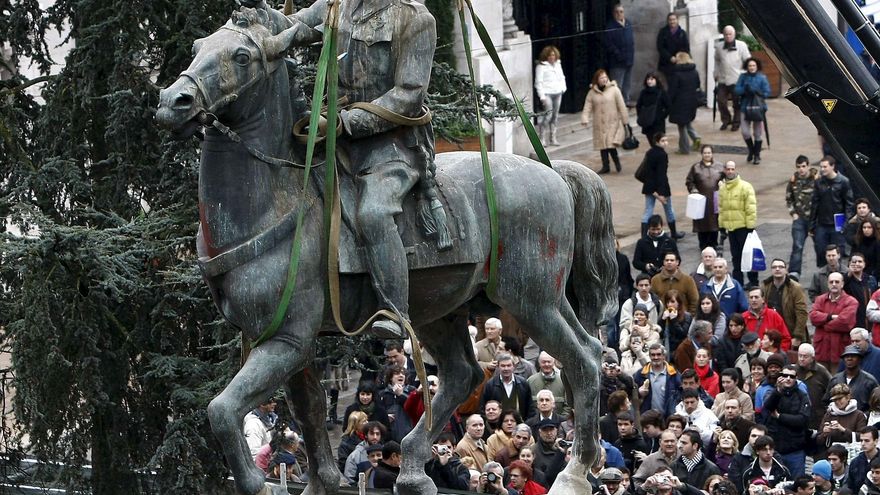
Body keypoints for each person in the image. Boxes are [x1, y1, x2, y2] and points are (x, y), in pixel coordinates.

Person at [289, 0, 437, 339]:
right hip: (335, 141)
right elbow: (293, 28)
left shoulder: (414, 18)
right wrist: (259, 17)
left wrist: (347, 122)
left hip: (391, 144)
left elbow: (409, 95)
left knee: (373, 213)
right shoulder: (336, 4)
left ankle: (396, 312)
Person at [762, 364, 811, 476]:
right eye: (785, 375)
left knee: (797, 485)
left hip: (795, 450)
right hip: (776, 449)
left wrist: (780, 416)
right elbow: (767, 408)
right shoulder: (773, 393)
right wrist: (778, 391)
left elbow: (802, 420)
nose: (788, 379)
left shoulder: (802, 396)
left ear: (796, 378)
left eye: (791, 376)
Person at [718, 160, 758, 287]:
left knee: (748, 256)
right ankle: (738, 282)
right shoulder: (722, 188)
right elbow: (721, 209)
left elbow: (751, 208)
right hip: (731, 228)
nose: (730, 171)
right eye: (728, 169)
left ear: (735, 170)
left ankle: (753, 281)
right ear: (724, 170)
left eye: (732, 169)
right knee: (736, 257)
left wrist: (751, 227)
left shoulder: (745, 186)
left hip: (744, 227)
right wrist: (722, 226)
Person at [582, 68, 629, 175]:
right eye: (601, 78)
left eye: (605, 77)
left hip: (613, 122)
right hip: (599, 123)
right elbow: (587, 106)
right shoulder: (592, 93)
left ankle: (617, 163)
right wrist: (585, 118)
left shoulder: (614, 90)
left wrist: (625, 120)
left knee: (611, 144)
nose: (604, 80)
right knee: (602, 146)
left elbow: (621, 105)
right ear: (596, 80)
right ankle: (605, 166)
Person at [811, 156, 855, 264]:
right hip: (822, 223)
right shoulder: (819, 182)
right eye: (821, 167)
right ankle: (822, 274)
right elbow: (815, 203)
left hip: (837, 223)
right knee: (821, 251)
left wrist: (845, 224)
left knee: (837, 253)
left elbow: (849, 204)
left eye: (825, 167)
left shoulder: (843, 181)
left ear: (832, 166)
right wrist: (812, 224)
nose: (822, 169)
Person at [811, 272, 859, 369]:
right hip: (821, 351)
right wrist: (830, 317)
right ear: (827, 284)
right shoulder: (820, 299)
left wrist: (824, 324)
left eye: (837, 282)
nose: (834, 284)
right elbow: (813, 317)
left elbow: (845, 322)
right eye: (831, 282)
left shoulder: (851, 301)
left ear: (842, 284)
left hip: (840, 352)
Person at [641, 133, 683, 238]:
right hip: (661, 188)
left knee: (648, 211)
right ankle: (674, 233)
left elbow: (647, 172)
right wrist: (660, 193)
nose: (666, 143)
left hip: (649, 187)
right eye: (663, 140)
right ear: (657, 142)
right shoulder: (662, 155)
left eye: (666, 140)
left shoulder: (650, 153)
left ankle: (644, 236)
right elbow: (661, 175)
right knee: (669, 210)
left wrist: (653, 191)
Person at [761, 259, 809, 346]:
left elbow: (802, 313)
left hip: (789, 330)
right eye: (774, 267)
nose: (777, 269)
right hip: (771, 332)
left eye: (781, 267)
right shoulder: (765, 286)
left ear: (786, 270)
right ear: (771, 270)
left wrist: (797, 336)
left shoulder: (795, 288)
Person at [786, 155, 819, 280]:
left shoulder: (815, 179)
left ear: (808, 165)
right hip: (799, 218)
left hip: (814, 218)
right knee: (797, 246)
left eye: (804, 166)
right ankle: (794, 272)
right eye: (799, 167)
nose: (801, 169)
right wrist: (793, 213)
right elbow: (789, 198)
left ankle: (823, 269)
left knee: (819, 245)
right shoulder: (793, 180)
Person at [686, 147, 725, 250]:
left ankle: (714, 243)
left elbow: (726, 179)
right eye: (705, 153)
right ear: (702, 154)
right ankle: (702, 243)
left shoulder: (720, 166)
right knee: (701, 222)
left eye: (709, 153)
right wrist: (693, 190)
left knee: (714, 222)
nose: (707, 155)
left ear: (712, 154)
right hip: (701, 200)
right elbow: (690, 181)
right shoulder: (696, 167)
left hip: (715, 200)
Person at [714, 25, 751, 132]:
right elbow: (717, 61)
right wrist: (715, 72)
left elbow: (748, 61)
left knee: (737, 103)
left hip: (737, 79)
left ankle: (736, 122)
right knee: (721, 101)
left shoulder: (741, 45)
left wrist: (744, 75)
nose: (728, 36)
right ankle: (726, 120)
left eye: (730, 34)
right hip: (723, 79)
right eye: (726, 34)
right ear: (723, 35)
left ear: (734, 35)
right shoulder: (719, 46)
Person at [734, 57, 771, 164]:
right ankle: (751, 150)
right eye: (750, 66)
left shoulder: (762, 78)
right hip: (745, 107)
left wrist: (757, 92)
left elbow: (767, 92)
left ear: (757, 66)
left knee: (758, 133)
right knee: (745, 132)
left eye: (753, 65)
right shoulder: (743, 77)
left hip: (758, 108)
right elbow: (737, 90)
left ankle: (757, 155)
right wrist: (745, 90)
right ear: (747, 67)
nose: (752, 67)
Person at [667, 51, 702, 155]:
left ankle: (684, 148)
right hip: (691, 101)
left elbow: (672, 90)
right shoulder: (694, 72)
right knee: (687, 122)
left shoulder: (676, 74)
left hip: (679, 102)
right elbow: (698, 85)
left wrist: (668, 102)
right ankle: (696, 137)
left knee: (681, 127)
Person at [633, 343, 682, 417]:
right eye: (653, 355)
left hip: (668, 418)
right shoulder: (641, 374)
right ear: (649, 356)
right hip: (647, 418)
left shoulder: (673, 373)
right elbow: (631, 394)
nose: (656, 357)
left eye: (659, 354)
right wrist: (639, 392)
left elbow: (681, 392)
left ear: (663, 356)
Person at [825, 346, 880, 411]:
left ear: (859, 359)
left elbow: (876, 402)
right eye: (846, 356)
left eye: (853, 356)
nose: (849, 359)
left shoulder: (869, 381)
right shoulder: (835, 380)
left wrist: (864, 416)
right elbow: (826, 401)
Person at [534, 45, 566, 146]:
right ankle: (542, 138)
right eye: (550, 55)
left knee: (555, 116)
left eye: (553, 55)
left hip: (558, 92)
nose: (552, 57)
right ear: (546, 56)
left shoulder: (558, 64)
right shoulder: (541, 66)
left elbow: (561, 77)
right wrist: (542, 96)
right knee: (548, 115)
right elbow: (538, 82)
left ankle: (553, 138)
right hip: (547, 93)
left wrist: (563, 88)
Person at [795, 343, 832, 431]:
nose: (801, 359)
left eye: (805, 356)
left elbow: (832, 387)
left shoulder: (822, 372)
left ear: (812, 358)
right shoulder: (793, 371)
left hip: (817, 415)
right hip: (798, 413)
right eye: (800, 356)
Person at [818, 383, 868, 448]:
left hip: (851, 453)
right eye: (835, 400)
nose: (837, 402)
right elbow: (818, 440)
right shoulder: (829, 414)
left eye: (840, 399)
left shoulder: (859, 415)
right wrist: (824, 433)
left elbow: (862, 437)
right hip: (831, 453)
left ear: (848, 397)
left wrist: (843, 430)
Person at [604, 3, 635, 106]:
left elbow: (631, 41)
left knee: (627, 83)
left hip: (629, 59)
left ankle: (626, 101)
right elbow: (609, 44)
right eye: (617, 12)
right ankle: (616, 103)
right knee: (617, 85)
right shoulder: (610, 26)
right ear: (613, 13)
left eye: (621, 12)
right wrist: (618, 54)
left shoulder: (628, 24)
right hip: (617, 61)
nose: (619, 14)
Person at [620, 304, 662, 377]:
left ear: (646, 317)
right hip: (628, 358)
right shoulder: (626, 330)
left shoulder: (653, 333)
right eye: (636, 314)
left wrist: (642, 336)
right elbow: (622, 347)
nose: (638, 317)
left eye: (641, 314)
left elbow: (652, 348)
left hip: (645, 359)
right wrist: (631, 335)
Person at [528, 352, 569, 418]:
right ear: (539, 363)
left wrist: (562, 421)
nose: (546, 364)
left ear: (553, 363)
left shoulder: (563, 381)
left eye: (549, 362)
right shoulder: (530, 381)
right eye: (544, 362)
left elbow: (568, 405)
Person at [846, 253, 879, 329]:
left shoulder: (871, 279)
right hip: (854, 320)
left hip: (871, 319)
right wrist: (849, 274)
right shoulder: (845, 280)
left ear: (864, 264)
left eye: (860, 261)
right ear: (849, 264)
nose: (857, 264)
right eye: (854, 262)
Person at [636, 72, 670, 140]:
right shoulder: (643, 92)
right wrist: (642, 116)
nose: (649, 81)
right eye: (648, 79)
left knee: (659, 141)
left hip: (658, 123)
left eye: (652, 79)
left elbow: (668, 106)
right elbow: (638, 105)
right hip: (647, 122)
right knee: (651, 140)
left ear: (656, 80)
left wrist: (662, 116)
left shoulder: (661, 92)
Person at [657, 13, 690, 81]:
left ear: (677, 20)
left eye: (674, 19)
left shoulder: (682, 33)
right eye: (670, 20)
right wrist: (670, 57)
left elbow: (686, 48)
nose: (672, 21)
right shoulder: (663, 32)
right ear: (668, 21)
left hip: (680, 64)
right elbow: (660, 47)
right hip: (666, 64)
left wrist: (679, 57)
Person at [662, 289, 695, 356]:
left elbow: (683, 334)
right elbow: (660, 333)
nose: (669, 305)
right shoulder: (665, 314)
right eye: (667, 302)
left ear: (679, 303)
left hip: (681, 350)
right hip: (667, 348)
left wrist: (674, 320)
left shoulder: (687, 316)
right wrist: (662, 320)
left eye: (672, 302)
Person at [848, 426, 880, 493]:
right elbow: (850, 485)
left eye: (867, 440)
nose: (863, 444)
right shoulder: (855, 462)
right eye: (861, 440)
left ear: (876, 441)